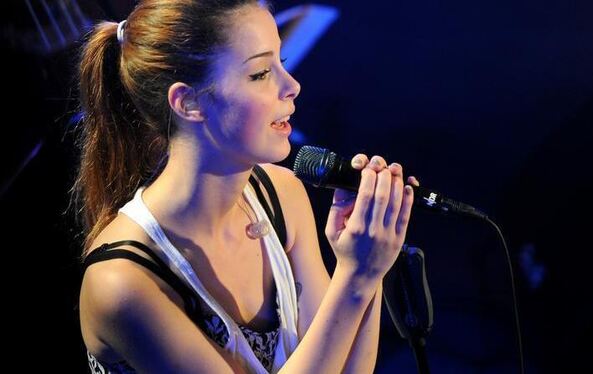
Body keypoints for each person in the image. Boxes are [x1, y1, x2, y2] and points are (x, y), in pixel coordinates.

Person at [74, 0, 419, 373]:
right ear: (188, 102)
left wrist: (369, 270)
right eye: (259, 74)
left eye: (282, 64)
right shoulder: (121, 282)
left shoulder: (281, 193)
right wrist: (355, 275)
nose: (292, 86)